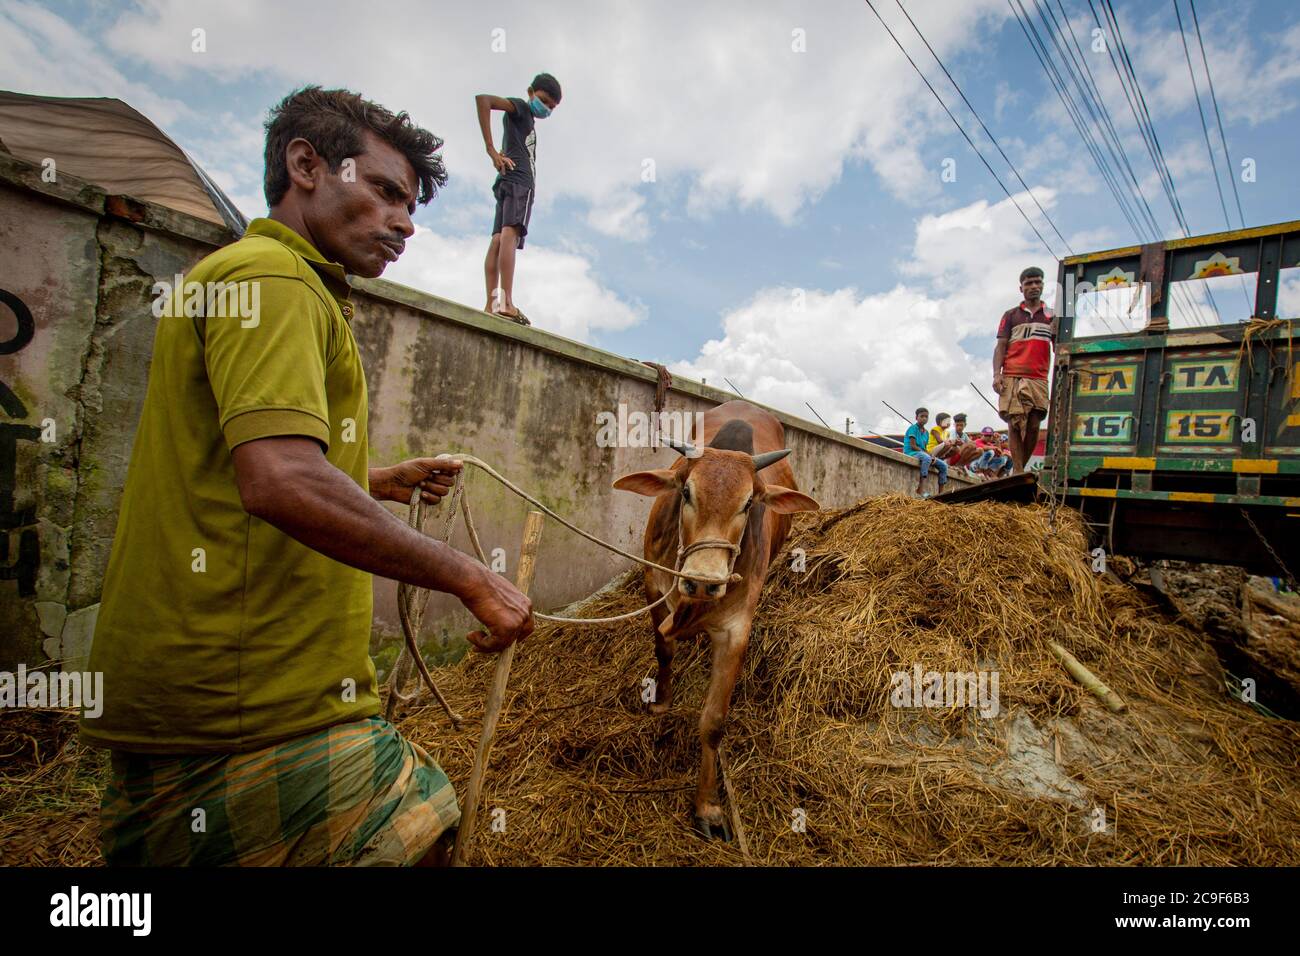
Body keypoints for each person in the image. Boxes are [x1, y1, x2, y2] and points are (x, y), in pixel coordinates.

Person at [81, 87, 535, 867]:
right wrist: (468, 576)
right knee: (422, 839)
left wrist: (381, 478)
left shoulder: (252, 278)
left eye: (410, 203)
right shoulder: (277, 282)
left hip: (238, 697)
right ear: (306, 165)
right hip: (254, 702)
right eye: (386, 191)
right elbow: (282, 480)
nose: (405, 221)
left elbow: (249, 463)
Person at [475, 73, 563, 325]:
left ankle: (492, 304)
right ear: (531, 91)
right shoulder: (522, 109)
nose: (546, 109)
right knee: (510, 236)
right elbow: (484, 100)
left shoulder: (525, 120)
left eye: (552, 107)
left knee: (498, 239)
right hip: (519, 182)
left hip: (507, 181)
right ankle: (506, 302)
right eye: (544, 101)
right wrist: (491, 150)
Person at [994, 266, 1057, 473]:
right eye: (1029, 283)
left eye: (1037, 282)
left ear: (1043, 285)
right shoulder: (1011, 315)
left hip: (1038, 376)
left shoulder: (1051, 316)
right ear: (1021, 288)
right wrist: (997, 374)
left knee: (1033, 425)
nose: (1033, 286)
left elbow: (1058, 348)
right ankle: (1019, 471)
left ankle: (1018, 468)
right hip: (1012, 373)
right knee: (1014, 423)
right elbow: (1001, 345)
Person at [904, 407, 948, 496]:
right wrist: (927, 454)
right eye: (922, 416)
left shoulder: (926, 433)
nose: (924, 418)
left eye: (926, 417)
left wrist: (931, 455)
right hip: (912, 452)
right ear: (916, 417)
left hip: (921, 453)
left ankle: (941, 493)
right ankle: (921, 488)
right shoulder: (913, 428)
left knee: (943, 466)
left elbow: (924, 448)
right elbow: (913, 446)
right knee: (927, 458)